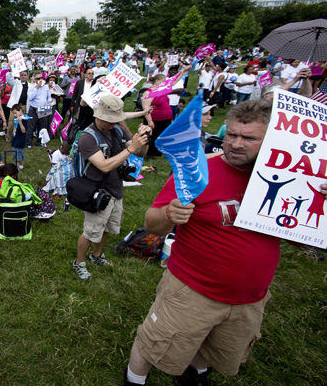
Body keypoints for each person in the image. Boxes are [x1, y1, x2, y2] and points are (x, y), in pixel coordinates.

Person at [122, 99, 327, 386]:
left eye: (249, 138)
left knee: (212, 347)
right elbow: (151, 223)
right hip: (192, 290)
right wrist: (170, 213)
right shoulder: (198, 171)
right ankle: (134, 379)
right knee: (152, 343)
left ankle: (194, 374)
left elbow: (299, 239)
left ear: (271, 141)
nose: (236, 144)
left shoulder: (294, 180)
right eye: (231, 134)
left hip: (249, 297)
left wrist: (318, 207)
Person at [72, 96, 150, 280]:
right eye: (110, 121)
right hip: (98, 192)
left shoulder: (117, 130)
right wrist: (131, 149)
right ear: (99, 117)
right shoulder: (87, 137)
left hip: (116, 189)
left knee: (108, 227)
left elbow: (140, 152)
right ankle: (79, 262)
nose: (114, 124)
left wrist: (143, 140)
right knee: (90, 231)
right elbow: (104, 165)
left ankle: (96, 255)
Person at [141, 74, 173, 156]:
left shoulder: (162, 91)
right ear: (157, 80)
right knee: (153, 136)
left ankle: (159, 151)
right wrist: (149, 121)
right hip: (155, 119)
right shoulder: (149, 93)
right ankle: (151, 153)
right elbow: (146, 107)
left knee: (161, 136)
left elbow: (173, 82)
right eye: (163, 81)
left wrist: (183, 71)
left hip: (165, 119)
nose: (164, 83)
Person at [25, 71, 51, 148]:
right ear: (35, 79)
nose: (40, 79)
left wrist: (49, 100)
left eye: (41, 78)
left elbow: (48, 96)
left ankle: (39, 142)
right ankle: (29, 143)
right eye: (38, 78)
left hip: (43, 108)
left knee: (42, 126)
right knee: (30, 127)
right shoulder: (32, 87)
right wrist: (37, 88)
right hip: (33, 108)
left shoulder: (46, 87)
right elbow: (30, 97)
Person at [5, 70, 30, 142]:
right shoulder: (16, 83)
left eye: (25, 75)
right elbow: (8, 78)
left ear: (27, 76)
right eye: (22, 75)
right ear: (19, 76)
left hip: (24, 106)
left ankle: (20, 138)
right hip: (15, 106)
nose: (23, 76)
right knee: (11, 123)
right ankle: (9, 138)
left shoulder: (30, 85)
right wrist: (9, 69)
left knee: (22, 122)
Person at [11, 104, 27, 170]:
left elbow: (23, 130)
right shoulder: (17, 119)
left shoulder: (23, 119)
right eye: (13, 113)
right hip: (16, 139)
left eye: (15, 113)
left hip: (19, 140)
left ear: (20, 110)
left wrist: (20, 123)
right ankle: (21, 166)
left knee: (18, 156)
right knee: (20, 153)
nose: (14, 115)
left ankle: (17, 168)